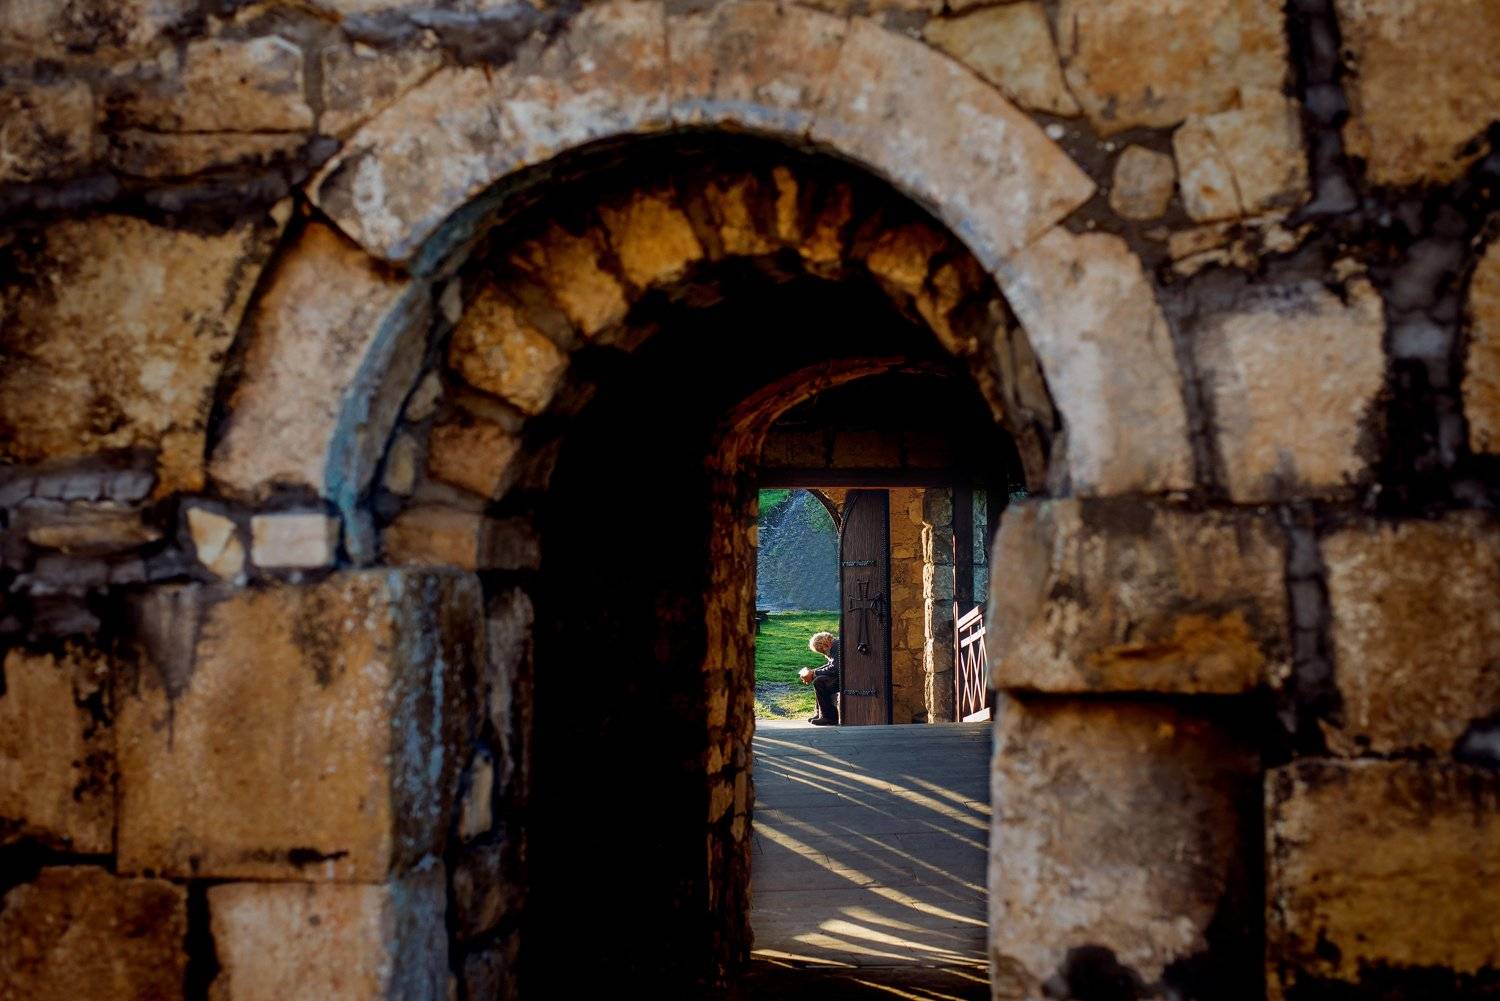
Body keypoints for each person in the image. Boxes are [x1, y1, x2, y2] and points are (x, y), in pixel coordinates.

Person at [798, 631, 840, 726]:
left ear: (825, 644)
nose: (824, 654)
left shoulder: (836, 647)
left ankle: (828, 717)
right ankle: (821, 713)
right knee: (819, 680)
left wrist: (814, 673)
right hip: (842, 676)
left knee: (819, 682)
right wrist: (813, 672)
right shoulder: (834, 646)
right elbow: (830, 665)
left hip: (845, 678)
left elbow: (834, 668)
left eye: (822, 651)